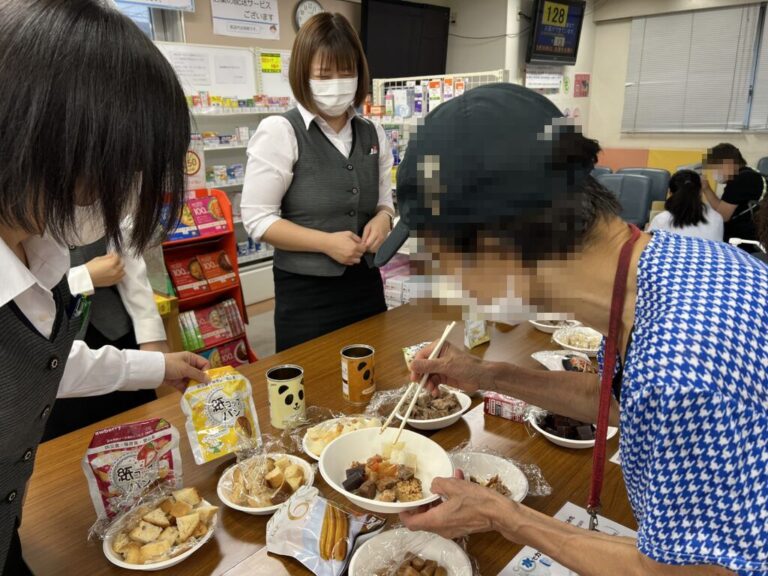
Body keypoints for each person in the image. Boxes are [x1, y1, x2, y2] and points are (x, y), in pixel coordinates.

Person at [374, 83, 767, 575]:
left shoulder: (679, 369)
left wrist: (504, 517)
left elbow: (682, 573)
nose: (447, 279)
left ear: (496, 241)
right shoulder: (671, 263)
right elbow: (615, 396)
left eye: (440, 257)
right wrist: (484, 375)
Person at [0, 1, 210, 573]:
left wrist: (156, 366)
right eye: (121, 168)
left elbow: (41, 364)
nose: (124, 191)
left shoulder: (38, 251)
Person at [241, 12, 394, 352]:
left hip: (366, 285)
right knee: (312, 387)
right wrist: (325, 243)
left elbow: (385, 201)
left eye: (347, 72)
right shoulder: (280, 132)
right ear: (303, 75)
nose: (337, 82)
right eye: (325, 74)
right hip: (306, 294)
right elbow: (257, 219)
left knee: (373, 378)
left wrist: (383, 219)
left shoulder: (373, 133)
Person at [42, 220, 171, 440]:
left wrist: (151, 333)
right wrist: (82, 277)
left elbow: (128, 254)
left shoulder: (108, 195)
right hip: (52, 341)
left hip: (117, 330)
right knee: (69, 442)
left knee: (138, 430)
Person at [701, 143, 766, 248]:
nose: (715, 173)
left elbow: (722, 216)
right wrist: (706, 188)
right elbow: (722, 208)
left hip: (745, 241)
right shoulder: (749, 174)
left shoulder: (741, 181)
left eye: (716, 168)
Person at [648, 169, 723, 241]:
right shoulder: (717, 219)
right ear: (700, 192)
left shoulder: (660, 220)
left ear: (670, 193)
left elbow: (647, 247)